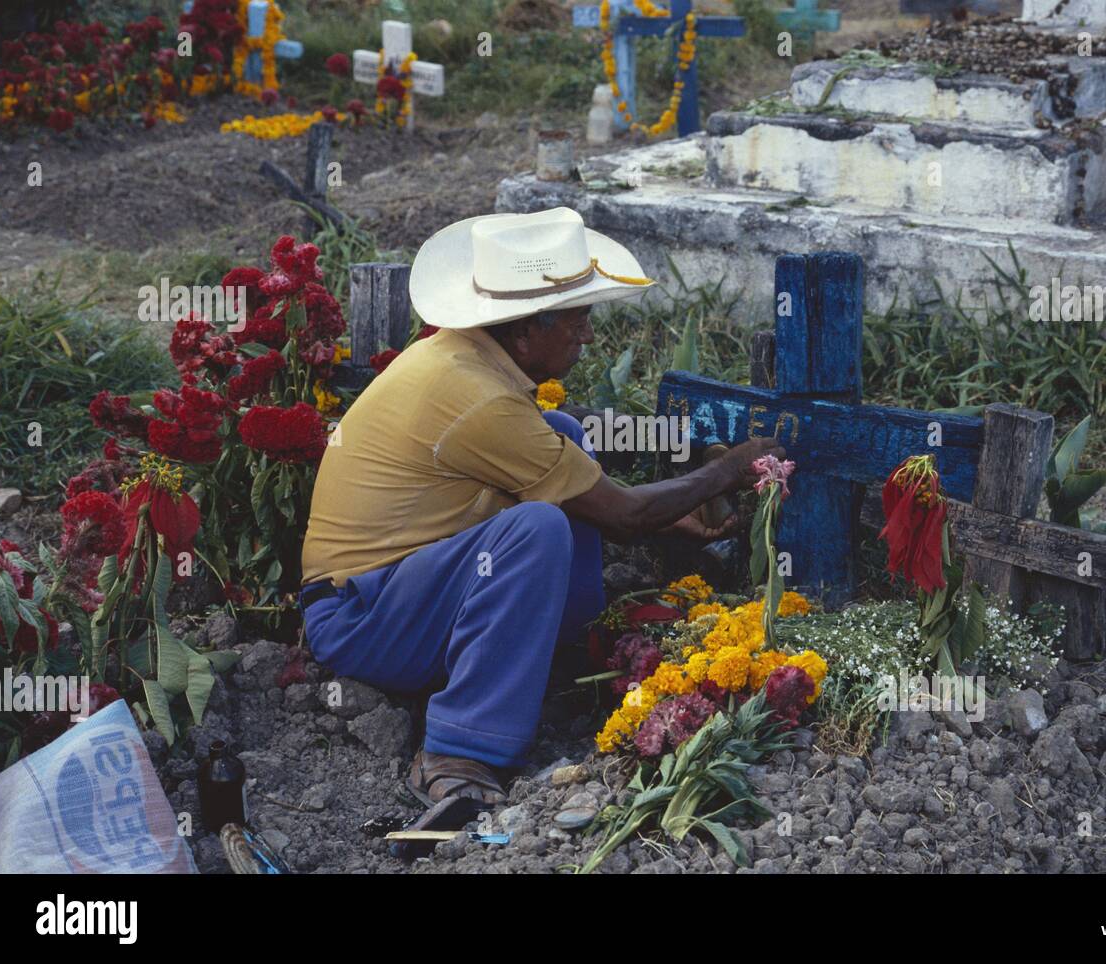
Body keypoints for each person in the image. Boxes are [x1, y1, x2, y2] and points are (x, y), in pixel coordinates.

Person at [299, 207, 783, 825]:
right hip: (360, 621)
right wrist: (726, 470)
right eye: (578, 319)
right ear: (526, 329)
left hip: (399, 592)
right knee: (538, 526)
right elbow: (622, 516)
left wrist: (666, 515)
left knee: (561, 435)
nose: (587, 336)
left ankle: (554, 655)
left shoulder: (466, 360)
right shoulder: (477, 400)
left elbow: (590, 496)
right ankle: (458, 752)